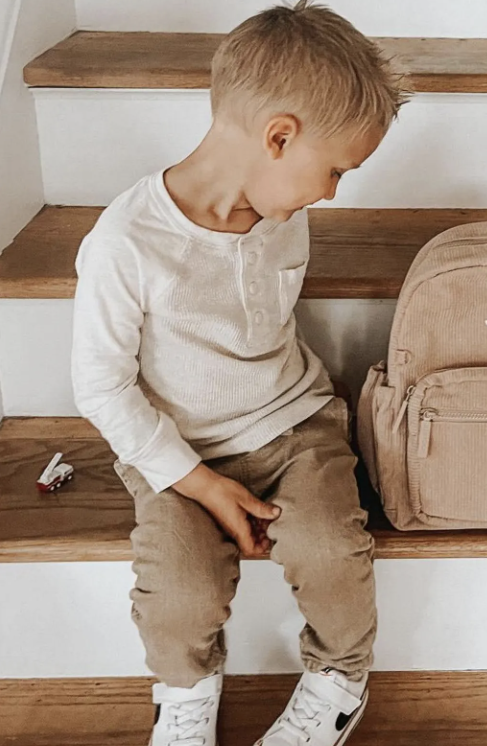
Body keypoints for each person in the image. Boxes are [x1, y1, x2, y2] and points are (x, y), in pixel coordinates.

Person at [71, 3, 411, 744]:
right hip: (177, 452)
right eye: (334, 171)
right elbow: (100, 386)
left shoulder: (282, 210)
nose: (332, 193)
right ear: (279, 137)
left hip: (292, 422)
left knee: (332, 552)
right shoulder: (125, 243)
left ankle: (339, 680)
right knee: (179, 596)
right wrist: (197, 482)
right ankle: (186, 691)